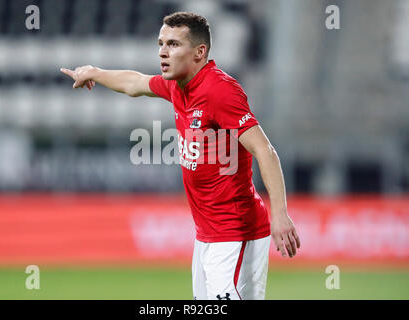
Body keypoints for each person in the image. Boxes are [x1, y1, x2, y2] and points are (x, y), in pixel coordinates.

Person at [60, 11, 300, 300]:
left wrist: (280, 214)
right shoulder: (178, 84)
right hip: (207, 236)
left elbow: (264, 149)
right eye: (161, 43)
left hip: (237, 233)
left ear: (199, 52)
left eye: (173, 44)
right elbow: (135, 83)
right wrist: (95, 73)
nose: (163, 52)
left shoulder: (219, 91)